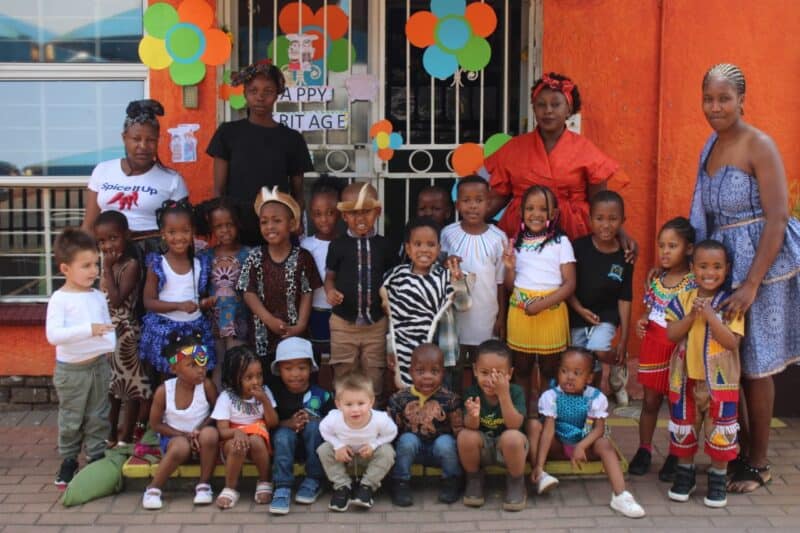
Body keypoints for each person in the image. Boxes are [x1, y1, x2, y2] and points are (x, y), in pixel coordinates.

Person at [690, 63, 800, 494]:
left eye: (724, 99)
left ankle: (758, 464)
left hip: (763, 267)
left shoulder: (761, 145)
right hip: (722, 264)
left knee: (756, 364)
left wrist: (751, 283)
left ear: (741, 100)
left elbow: (777, 218)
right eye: (708, 99)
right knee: (724, 358)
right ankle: (733, 449)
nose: (715, 107)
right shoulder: (710, 147)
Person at [485, 73, 637, 260]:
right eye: (541, 105)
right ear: (533, 108)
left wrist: (620, 233)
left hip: (573, 233)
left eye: (556, 104)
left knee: (571, 284)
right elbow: (496, 199)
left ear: (569, 109)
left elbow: (600, 204)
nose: (548, 110)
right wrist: (462, 224)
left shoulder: (586, 151)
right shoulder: (513, 149)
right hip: (522, 232)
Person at [665, 240, 745, 508]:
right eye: (703, 266)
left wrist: (710, 315)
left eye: (717, 267)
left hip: (720, 387)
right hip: (686, 381)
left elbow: (732, 342)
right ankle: (684, 476)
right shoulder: (683, 299)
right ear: (692, 268)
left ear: (727, 269)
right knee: (684, 430)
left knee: (720, 433)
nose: (709, 273)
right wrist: (691, 317)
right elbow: (671, 334)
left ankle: (717, 479)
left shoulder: (731, 304)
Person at [531, 347, 645, 518]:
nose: (569, 377)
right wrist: (541, 463)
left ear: (589, 378)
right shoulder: (551, 396)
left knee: (605, 444)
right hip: (559, 446)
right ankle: (539, 473)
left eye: (577, 373)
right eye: (564, 371)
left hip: (585, 447)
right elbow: (548, 430)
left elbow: (599, 429)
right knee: (535, 427)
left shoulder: (596, 398)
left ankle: (620, 495)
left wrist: (581, 446)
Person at [207, 61, 312, 245]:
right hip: (238, 228)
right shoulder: (228, 133)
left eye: (268, 91)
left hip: (277, 228)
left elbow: (298, 193)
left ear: (277, 95)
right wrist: (223, 224)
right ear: (245, 93)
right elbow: (219, 190)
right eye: (253, 91)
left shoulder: (291, 139)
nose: (260, 97)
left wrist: (296, 222)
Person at [46, 228, 116, 488]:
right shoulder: (60, 299)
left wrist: (104, 340)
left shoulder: (97, 296)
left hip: (98, 366)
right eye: (85, 265)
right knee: (72, 418)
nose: (93, 271)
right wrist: (89, 331)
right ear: (65, 268)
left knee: (98, 415)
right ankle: (69, 460)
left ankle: (96, 456)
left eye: (95, 264)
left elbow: (107, 330)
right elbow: (54, 335)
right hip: (71, 371)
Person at [628, 217, 696, 479]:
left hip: (678, 348)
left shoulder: (693, 282)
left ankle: (676, 454)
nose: (665, 252)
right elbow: (649, 310)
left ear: (688, 249)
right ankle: (644, 450)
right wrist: (642, 321)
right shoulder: (657, 280)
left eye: (673, 246)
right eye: (662, 246)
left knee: (679, 403)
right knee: (650, 400)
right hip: (654, 346)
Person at [82, 99, 189, 254]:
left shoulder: (172, 180)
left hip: (153, 258)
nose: (143, 146)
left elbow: (182, 231)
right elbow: (88, 226)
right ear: (124, 138)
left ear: (158, 140)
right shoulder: (103, 170)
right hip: (110, 255)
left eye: (151, 140)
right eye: (136, 139)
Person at [503, 185, 575, 405]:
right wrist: (509, 267)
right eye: (530, 208)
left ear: (553, 214)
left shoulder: (561, 243)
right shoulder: (516, 244)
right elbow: (509, 286)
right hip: (520, 312)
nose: (536, 214)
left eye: (543, 209)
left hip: (551, 312)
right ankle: (523, 418)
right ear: (522, 212)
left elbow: (570, 283)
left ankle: (546, 417)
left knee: (549, 369)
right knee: (522, 368)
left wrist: (541, 304)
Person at [325, 182, 396, 405]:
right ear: (344, 216)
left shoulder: (385, 246)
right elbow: (330, 277)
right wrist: (330, 291)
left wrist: (388, 302)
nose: (360, 218)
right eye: (353, 213)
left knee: (374, 374)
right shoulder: (337, 246)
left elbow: (392, 279)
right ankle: (344, 419)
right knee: (344, 371)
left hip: (376, 323)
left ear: (378, 211)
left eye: (366, 211)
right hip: (343, 323)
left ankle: (372, 420)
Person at [237, 186, 321, 372]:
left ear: (292, 224)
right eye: (264, 222)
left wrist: (300, 326)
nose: (270, 227)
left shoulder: (302, 257)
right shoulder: (255, 256)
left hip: (294, 333)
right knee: (265, 376)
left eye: (277, 221)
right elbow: (248, 293)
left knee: (294, 373)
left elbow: (308, 292)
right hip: (262, 334)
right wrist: (269, 320)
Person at [440, 176, 507, 394]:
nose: (472, 206)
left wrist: (501, 317)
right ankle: (456, 407)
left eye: (479, 200)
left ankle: (482, 407)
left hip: (486, 314)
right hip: (455, 315)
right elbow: (440, 270)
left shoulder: (498, 238)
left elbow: (500, 282)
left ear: (489, 204)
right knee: (455, 365)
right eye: (466, 200)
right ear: (457, 205)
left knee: (484, 364)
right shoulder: (448, 234)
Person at [568, 191, 634, 405]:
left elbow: (625, 297)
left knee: (599, 350)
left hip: (606, 316)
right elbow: (566, 285)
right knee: (584, 362)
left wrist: (623, 339)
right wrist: (579, 309)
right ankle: (589, 403)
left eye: (613, 219)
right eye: (599, 219)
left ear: (622, 221)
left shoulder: (625, 256)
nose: (606, 225)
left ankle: (616, 365)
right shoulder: (577, 248)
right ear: (590, 220)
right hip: (577, 314)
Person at [382, 217, 463, 388]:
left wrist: (458, 282)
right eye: (418, 244)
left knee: (442, 400)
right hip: (407, 355)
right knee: (409, 400)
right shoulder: (397, 278)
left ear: (439, 249)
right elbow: (394, 320)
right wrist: (391, 349)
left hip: (441, 353)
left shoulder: (446, 276)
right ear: (408, 249)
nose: (424, 250)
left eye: (431, 244)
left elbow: (464, 305)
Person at [142, 332, 218, 510]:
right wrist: (183, 435)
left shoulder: (206, 385)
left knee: (210, 435)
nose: (200, 369)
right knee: (180, 446)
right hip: (174, 440)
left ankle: (204, 485)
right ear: (174, 368)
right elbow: (156, 424)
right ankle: (153, 488)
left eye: (202, 363)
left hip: (201, 440)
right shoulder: (163, 391)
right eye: (192, 365)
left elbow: (217, 412)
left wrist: (199, 430)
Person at [94, 210, 152, 446]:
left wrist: (106, 269)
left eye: (113, 238)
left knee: (127, 388)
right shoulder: (107, 264)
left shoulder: (130, 265)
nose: (108, 245)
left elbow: (117, 300)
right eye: (102, 241)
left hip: (125, 331)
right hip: (108, 330)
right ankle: (110, 434)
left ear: (126, 236)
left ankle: (127, 436)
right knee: (111, 388)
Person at [139, 200, 215, 377]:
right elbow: (149, 302)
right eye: (172, 232)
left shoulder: (200, 263)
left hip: (195, 331)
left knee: (196, 374)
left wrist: (205, 303)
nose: (179, 237)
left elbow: (199, 298)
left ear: (193, 233)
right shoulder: (158, 264)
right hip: (167, 332)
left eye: (185, 231)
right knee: (170, 378)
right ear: (163, 234)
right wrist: (178, 306)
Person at [387, 343, 464, 507]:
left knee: (446, 443)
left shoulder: (450, 399)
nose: (427, 377)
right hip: (413, 449)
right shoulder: (399, 399)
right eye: (420, 371)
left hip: (440, 450)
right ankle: (400, 481)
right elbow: (391, 430)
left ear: (443, 373)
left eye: (434, 371)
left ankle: (452, 480)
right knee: (407, 440)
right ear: (410, 372)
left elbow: (458, 430)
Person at [457, 340, 528, 512]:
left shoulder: (515, 391)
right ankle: (474, 479)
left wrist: (503, 395)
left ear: (509, 374)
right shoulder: (472, 392)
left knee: (512, 437)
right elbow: (469, 426)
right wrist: (473, 416)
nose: (490, 380)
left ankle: (516, 481)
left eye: (498, 374)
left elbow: (514, 424)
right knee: (465, 436)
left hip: (510, 451)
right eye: (485, 373)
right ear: (475, 370)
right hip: (484, 449)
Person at [268, 337, 335, 515]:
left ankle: (314, 479)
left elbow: (335, 421)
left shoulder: (321, 395)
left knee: (314, 428)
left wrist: (315, 420)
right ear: (279, 370)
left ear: (310, 369)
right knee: (283, 435)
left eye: (302, 368)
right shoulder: (275, 394)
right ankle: (282, 487)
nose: (295, 374)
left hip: (312, 448)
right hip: (285, 447)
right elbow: (269, 423)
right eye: (288, 369)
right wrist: (287, 423)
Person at [317, 372, 398, 512]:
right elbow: (323, 429)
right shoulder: (333, 418)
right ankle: (342, 486)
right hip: (344, 457)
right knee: (324, 449)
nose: (355, 409)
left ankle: (366, 487)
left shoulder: (380, 419)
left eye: (361, 403)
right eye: (348, 404)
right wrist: (338, 445)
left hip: (368, 456)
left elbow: (392, 432)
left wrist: (374, 445)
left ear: (371, 402)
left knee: (387, 452)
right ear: (338, 404)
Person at [212, 345, 279, 509]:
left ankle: (264, 480)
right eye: (248, 377)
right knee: (237, 445)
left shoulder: (265, 392)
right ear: (234, 378)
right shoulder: (226, 397)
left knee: (255, 440)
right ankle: (230, 487)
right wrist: (238, 432)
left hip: (259, 441)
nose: (256, 382)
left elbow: (272, 423)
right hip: (232, 441)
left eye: (259, 376)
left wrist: (265, 401)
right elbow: (222, 430)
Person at [195, 198, 250, 388]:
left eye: (229, 224)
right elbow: (199, 289)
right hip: (214, 323)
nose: (225, 230)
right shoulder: (205, 257)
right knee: (218, 364)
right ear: (211, 228)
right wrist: (203, 302)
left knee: (239, 364)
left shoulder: (249, 254)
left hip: (239, 320)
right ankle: (219, 408)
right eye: (218, 226)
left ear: (238, 224)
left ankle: (237, 408)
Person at [301, 177, 343, 362]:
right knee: (315, 358)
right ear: (310, 214)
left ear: (340, 212)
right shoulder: (306, 245)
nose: (324, 219)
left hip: (341, 313)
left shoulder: (346, 244)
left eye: (330, 213)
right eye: (318, 214)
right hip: (315, 311)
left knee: (339, 359)